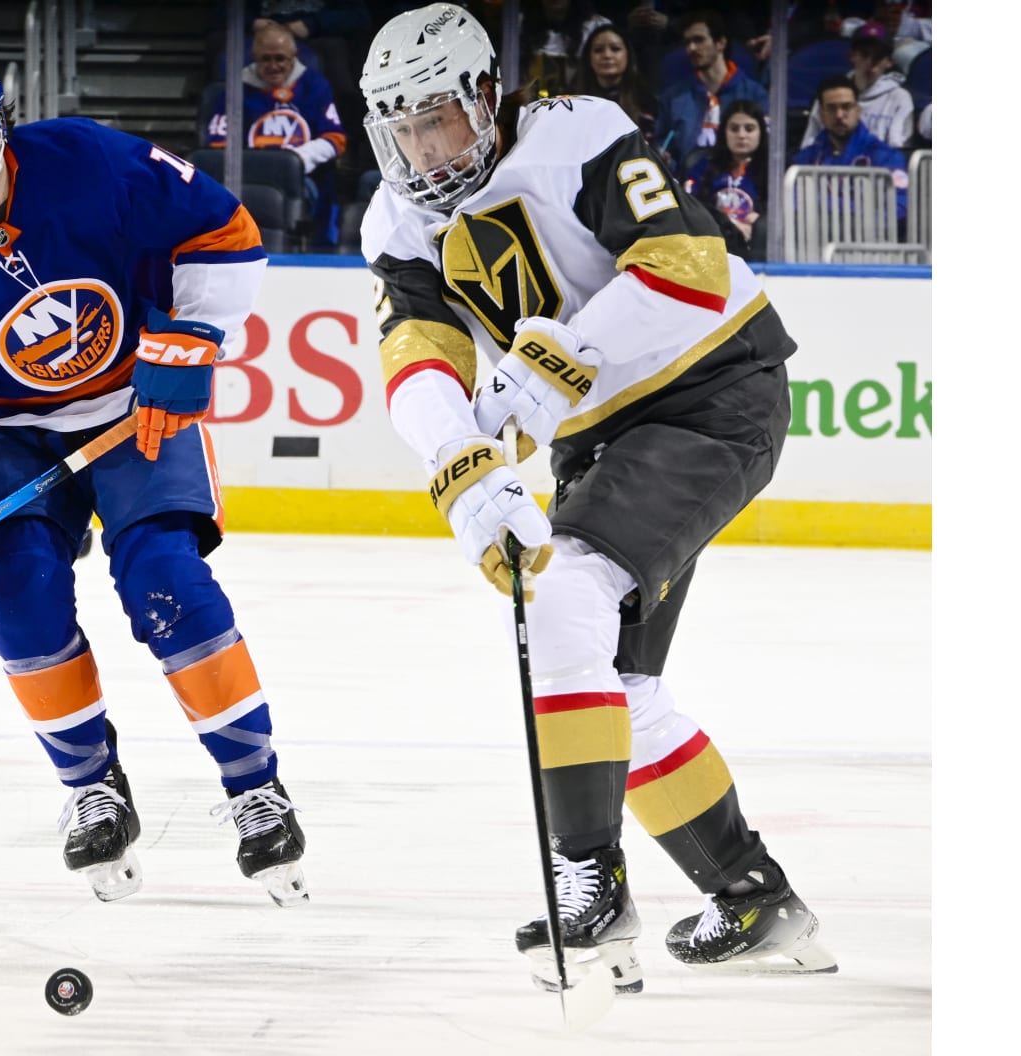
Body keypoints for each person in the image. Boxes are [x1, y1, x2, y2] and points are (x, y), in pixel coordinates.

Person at [357, 3, 835, 991]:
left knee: (562, 600)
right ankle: (755, 897)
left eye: (437, 120)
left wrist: (552, 362)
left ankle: (592, 889)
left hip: (711, 390)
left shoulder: (577, 132)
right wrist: (462, 469)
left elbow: (688, 269)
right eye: (402, 131)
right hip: (603, 436)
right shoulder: (396, 224)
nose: (423, 151)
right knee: (619, 681)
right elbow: (418, 359)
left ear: (486, 95)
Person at [0, 45, 307, 907]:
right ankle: (91, 786)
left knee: (167, 583)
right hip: (5, 431)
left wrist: (192, 336)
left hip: (134, 408)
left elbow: (225, 233)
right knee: (18, 594)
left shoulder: (89, 161)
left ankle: (256, 788)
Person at [204, 21, 347, 248]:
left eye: (280, 58)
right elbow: (217, 146)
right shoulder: (234, 90)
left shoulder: (314, 86)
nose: (273, 66)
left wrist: (295, 161)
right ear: (254, 57)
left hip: (302, 180)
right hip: (247, 180)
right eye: (265, 59)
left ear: (293, 57)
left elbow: (335, 138)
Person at [653, 9, 768, 171]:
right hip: (684, 181)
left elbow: (765, 147)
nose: (692, 48)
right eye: (687, 42)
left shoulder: (754, 94)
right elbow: (662, 145)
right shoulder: (673, 97)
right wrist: (666, 160)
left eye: (699, 40)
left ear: (720, 43)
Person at [792, 75, 909, 224]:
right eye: (831, 108)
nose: (839, 115)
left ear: (858, 110)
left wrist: (837, 214)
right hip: (815, 235)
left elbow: (898, 208)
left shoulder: (886, 157)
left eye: (846, 107)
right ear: (821, 114)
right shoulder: (805, 159)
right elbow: (792, 203)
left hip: (868, 236)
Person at [797, 27, 914, 152]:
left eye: (878, 57)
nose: (870, 63)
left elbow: (897, 148)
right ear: (851, 56)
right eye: (864, 55)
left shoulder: (899, 98)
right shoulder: (830, 93)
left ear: (889, 62)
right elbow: (809, 145)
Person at [684, 98, 767, 260]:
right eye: (734, 129)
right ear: (724, 132)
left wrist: (762, 223)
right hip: (711, 248)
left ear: (761, 132)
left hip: (756, 250)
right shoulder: (703, 166)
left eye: (749, 129)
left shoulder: (773, 169)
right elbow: (691, 209)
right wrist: (729, 225)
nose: (741, 135)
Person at [568, 23, 658, 145]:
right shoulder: (572, 104)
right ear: (589, 58)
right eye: (598, 50)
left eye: (615, 49)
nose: (607, 55)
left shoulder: (645, 101)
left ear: (628, 54)